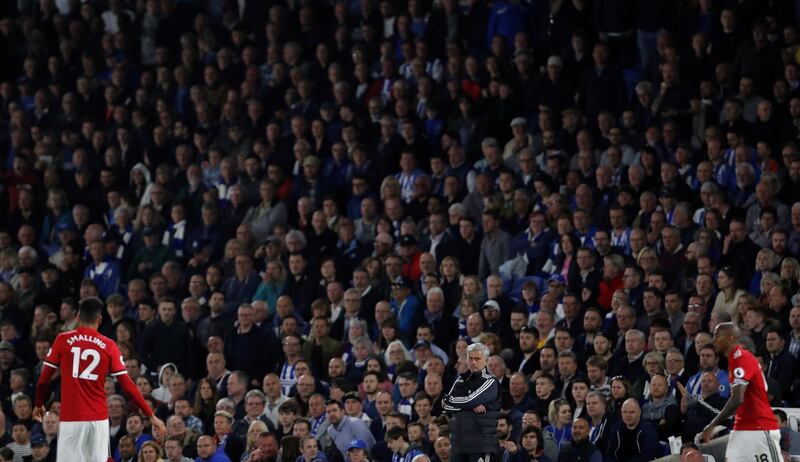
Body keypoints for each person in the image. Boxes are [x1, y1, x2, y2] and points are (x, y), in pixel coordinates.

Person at [33, 297, 166, 461]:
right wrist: (150, 415)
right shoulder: (109, 345)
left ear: (78, 316)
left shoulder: (63, 340)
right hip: (98, 420)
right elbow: (128, 385)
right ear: (100, 319)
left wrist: (39, 403)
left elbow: (43, 380)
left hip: (71, 419)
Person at [701, 323, 781, 462]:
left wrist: (712, 424)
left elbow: (737, 399)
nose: (713, 340)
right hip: (742, 428)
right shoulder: (733, 360)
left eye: (717, 336)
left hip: (760, 428)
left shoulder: (741, 358)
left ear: (730, 338)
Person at [442, 343, 500, 462]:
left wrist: (451, 399)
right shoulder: (460, 380)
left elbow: (470, 400)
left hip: (480, 444)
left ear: (486, 360)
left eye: (477, 359)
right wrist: (468, 406)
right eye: (470, 358)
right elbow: (444, 404)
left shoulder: (490, 382)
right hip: (458, 443)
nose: (473, 362)